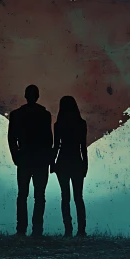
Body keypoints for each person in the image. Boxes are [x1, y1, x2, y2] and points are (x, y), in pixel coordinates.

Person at [7, 85, 53, 237]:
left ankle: (21, 229)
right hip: (40, 159)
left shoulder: (16, 115)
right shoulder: (45, 115)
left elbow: (11, 138)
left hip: (25, 158)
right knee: (39, 195)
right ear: (37, 96)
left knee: (23, 194)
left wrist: (16, 156)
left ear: (25, 95)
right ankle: (37, 229)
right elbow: (49, 140)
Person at [52, 96, 88, 237]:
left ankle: (68, 229)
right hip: (77, 161)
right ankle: (81, 229)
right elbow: (83, 147)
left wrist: (52, 163)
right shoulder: (81, 123)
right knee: (78, 197)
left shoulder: (58, 124)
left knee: (65, 197)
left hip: (62, 162)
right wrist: (85, 164)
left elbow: (56, 147)